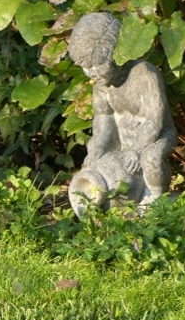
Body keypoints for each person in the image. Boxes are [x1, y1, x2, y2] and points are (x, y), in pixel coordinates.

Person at [67, 12, 177, 213]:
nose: (91, 73)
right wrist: (99, 148)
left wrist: (136, 149)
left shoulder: (145, 74)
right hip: (122, 140)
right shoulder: (101, 84)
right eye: (86, 67)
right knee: (95, 151)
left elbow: (155, 118)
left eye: (97, 65)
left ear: (116, 55)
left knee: (150, 159)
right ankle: (114, 202)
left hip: (157, 136)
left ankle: (154, 196)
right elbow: (104, 117)